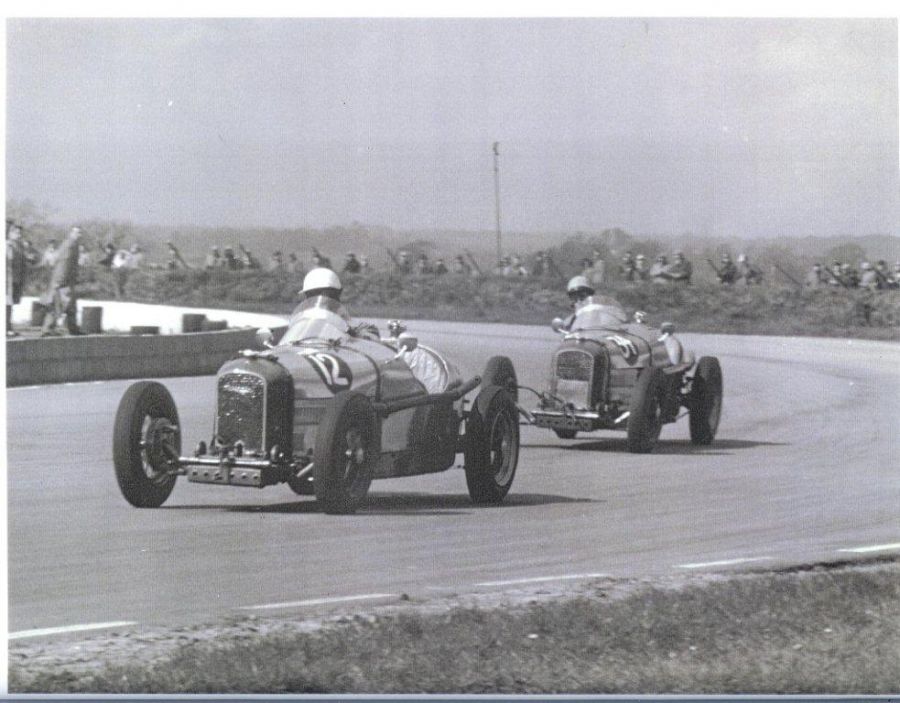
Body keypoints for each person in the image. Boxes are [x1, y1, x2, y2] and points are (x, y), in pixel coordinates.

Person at [40, 226, 83, 336]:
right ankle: (48, 329)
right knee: (57, 305)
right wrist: (59, 282)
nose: (79, 235)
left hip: (68, 281)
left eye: (80, 233)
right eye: (77, 232)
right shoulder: (69, 245)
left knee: (70, 305)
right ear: (71, 233)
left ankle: (72, 328)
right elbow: (63, 264)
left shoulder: (74, 245)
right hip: (63, 281)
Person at [560, 275, 628, 330]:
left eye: (582, 296)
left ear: (590, 295)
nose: (578, 300)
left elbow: (622, 320)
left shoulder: (604, 311)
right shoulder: (569, 321)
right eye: (574, 297)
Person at [6, 222, 29, 336]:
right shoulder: (7, 246)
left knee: (10, 304)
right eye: (16, 232)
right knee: (6, 304)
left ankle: (8, 327)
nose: (19, 234)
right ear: (10, 233)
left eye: (20, 233)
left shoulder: (20, 247)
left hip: (15, 280)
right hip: (6, 280)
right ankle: (6, 328)